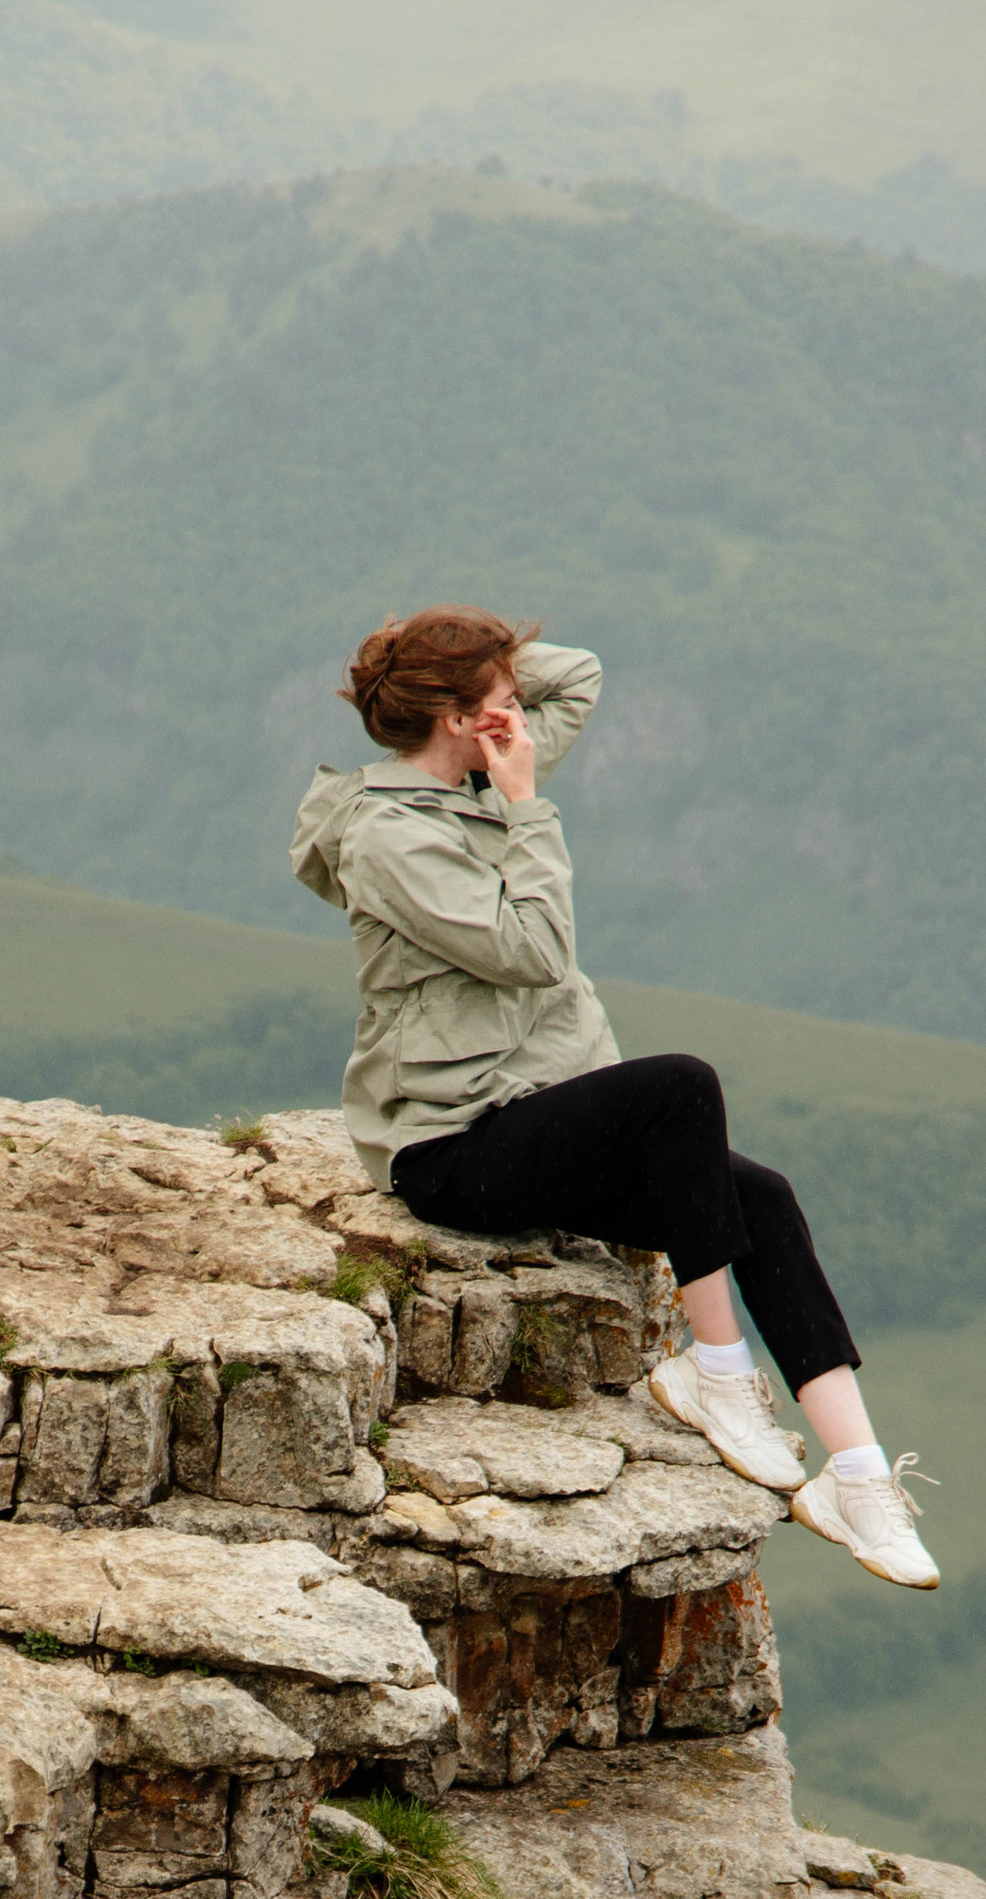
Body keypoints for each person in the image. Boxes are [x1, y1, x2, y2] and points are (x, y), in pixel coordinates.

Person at [290, 608, 938, 1589]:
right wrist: (523, 805)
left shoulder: (479, 760)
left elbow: (577, 675)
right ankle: (715, 1376)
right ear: (462, 722)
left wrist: (466, 669)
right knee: (679, 1088)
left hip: (536, 1117)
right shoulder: (388, 839)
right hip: (453, 1148)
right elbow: (533, 952)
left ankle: (855, 1477)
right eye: (501, 703)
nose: (522, 715)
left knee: (757, 1195)